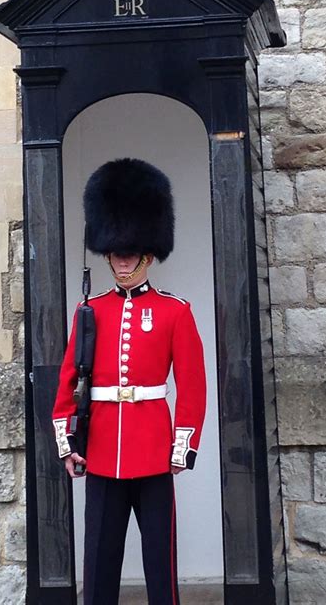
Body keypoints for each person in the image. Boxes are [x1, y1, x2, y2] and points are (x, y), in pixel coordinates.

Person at [52, 158, 206, 605]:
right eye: (114, 253)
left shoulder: (175, 312)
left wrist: (182, 445)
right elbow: (68, 380)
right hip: (100, 453)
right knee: (99, 565)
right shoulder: (91, 311)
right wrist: (69, 443)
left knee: (161, 562)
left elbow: (192, 388)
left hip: (155, 454)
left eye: (129, 253)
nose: (120, 263)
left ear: (148, 253)